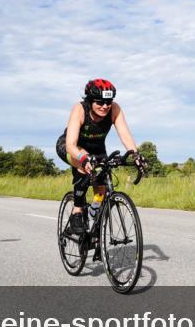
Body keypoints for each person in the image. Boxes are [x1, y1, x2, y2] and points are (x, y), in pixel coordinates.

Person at [55, 78, 144, 237]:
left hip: (97, 149)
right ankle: (76, 212)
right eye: (100, 102)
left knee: (101, 189)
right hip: (70, 147)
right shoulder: (80, 109)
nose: (105, 106)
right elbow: (70, 144)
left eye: (108, 102)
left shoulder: (114, 109)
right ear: (90, 100)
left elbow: (125, 135)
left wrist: (135, 155)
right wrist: (83, 158)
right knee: (84, 166)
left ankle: (92, 220)